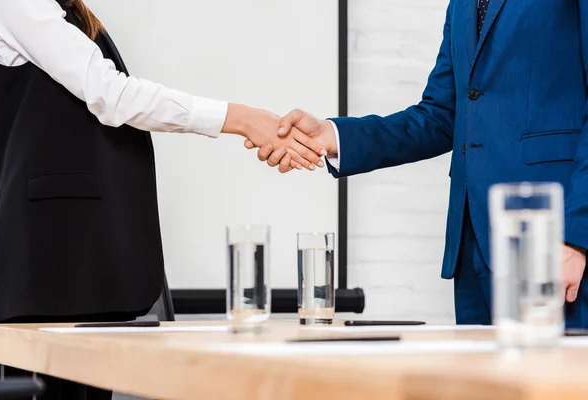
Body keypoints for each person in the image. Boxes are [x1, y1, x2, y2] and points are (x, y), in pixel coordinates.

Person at [0, 0, 325, 398]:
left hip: (89, 258)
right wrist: (243, 119)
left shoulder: (66, 9)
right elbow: (110, 94)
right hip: (48, 260)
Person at [251, 0, 588, 328]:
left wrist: (575, 239)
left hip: (554, 241)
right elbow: (441, 116)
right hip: (472, 244)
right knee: (483, 383)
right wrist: (333, 135)